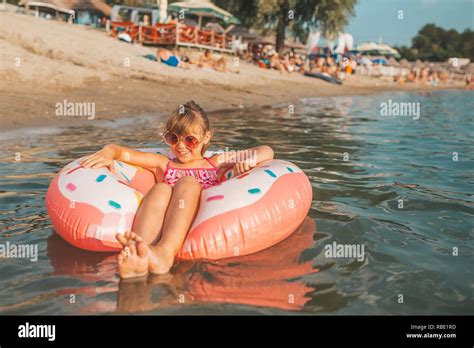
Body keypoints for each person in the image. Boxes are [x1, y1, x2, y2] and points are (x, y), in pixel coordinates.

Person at [80, 101, 274, 278]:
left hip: (191, 219)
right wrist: (107, 154)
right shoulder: (163, 164)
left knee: (188, 183)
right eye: (173, 138)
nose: (180, 146)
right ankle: (141, 252)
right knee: (161, 188)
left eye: (190, 140)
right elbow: (119, 151)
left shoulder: (216, 163)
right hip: (161, 221)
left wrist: (249, 160)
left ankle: (164, 254)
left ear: (206, 137)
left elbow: (266, 151)